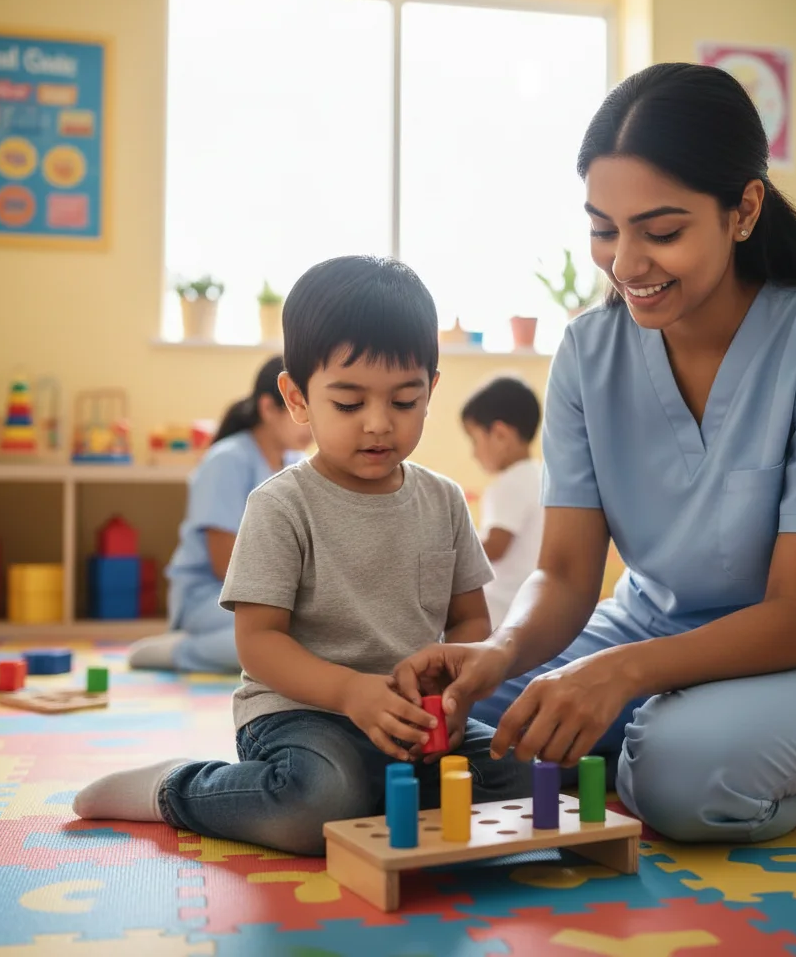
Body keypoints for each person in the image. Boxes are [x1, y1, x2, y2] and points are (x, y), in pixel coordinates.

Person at [393, 61, 796, 845]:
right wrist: (498, 651)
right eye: (603, 229)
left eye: (662, 231)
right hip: (641, 632)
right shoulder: (585, 350)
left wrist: (620, 676)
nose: (626, 264)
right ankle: (638, 737)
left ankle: (700, 746)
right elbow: (568, 575)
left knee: (681, 773)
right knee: (428, 732)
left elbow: (795, 619)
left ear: (743, 209)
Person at [73, 256, 529, 855]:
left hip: (411, 722)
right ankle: (175, 788)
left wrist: (452, 685)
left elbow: (471, 620)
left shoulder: (442, 500)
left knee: (524, 772)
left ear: (431, 391)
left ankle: (385, 791)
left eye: (403, 401)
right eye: (348, 403)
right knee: (320, 801)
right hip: (301, 715)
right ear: (296, 399)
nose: (377, 424)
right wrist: (348, 693)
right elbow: (258, 643)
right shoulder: (280, 504)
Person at [128, 356, 314, 674]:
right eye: (301, 410)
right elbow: (222, 564)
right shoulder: (227, 460)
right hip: (209, 597)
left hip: (269, 593)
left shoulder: (296, 464)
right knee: (278, 639)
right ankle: (180, 651)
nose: (312, 424)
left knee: (317, 631)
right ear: (269, 408)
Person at [461, 376, 545, 629]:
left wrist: (450, 553)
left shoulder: (508, 485)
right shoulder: (539, 475)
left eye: (475, 440)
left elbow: (495, 547)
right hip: (530, 601)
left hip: (503, 608)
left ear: (500, 435)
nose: (474, 453)